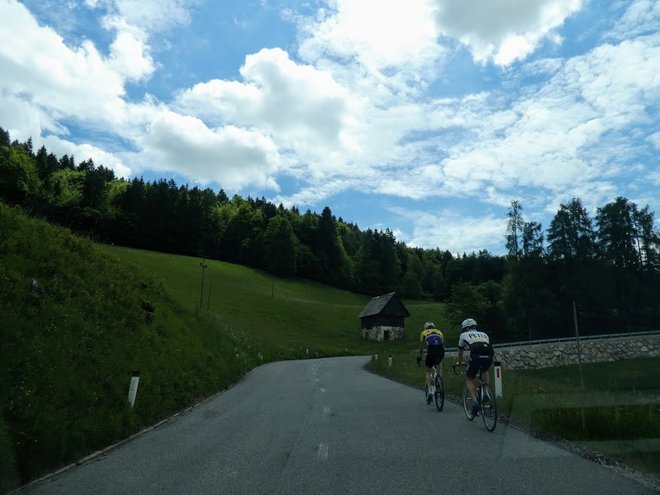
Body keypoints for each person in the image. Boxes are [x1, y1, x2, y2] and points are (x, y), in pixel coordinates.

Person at [455, 318, 494, 416]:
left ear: (465, 328)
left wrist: (459, 362)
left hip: (476, 356)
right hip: (489, 356)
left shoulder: (463, 335)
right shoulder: (484, 334)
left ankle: (475, 402)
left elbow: (460, 351)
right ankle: (485, 392)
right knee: (485, 371)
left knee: (469, 378)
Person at [416, 321, 445, 404]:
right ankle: (439, 381)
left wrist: (420, 357)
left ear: (425, 328)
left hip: (431, 350)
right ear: (434, 327)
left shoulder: (423, 333)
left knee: (428, 370)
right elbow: (442, 344)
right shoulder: (439, 332)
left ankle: (429, 391)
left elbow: (421, 348)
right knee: (439, 363)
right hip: (440, 350)